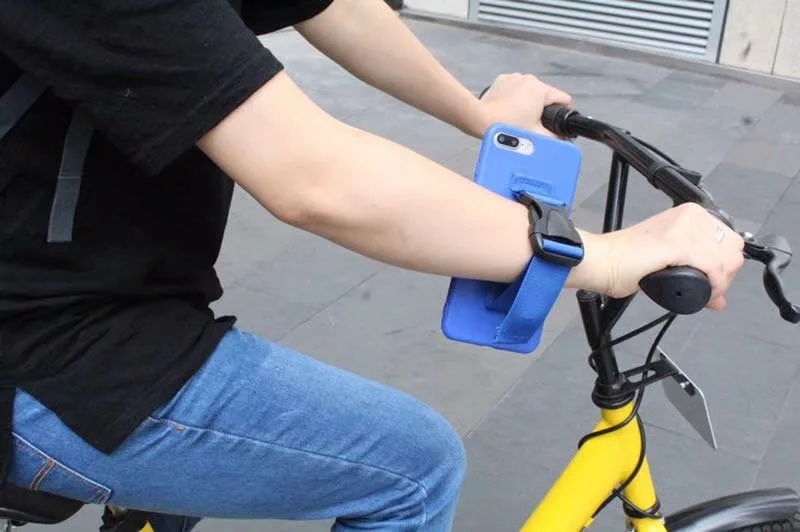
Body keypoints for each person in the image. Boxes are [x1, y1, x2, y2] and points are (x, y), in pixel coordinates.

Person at [0, 0, 744, 531]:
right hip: (48, 348)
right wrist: (604, 256)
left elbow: (332, 6)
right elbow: (315, 179)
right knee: (413, 469)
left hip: (101, 295)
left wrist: (478, 114)